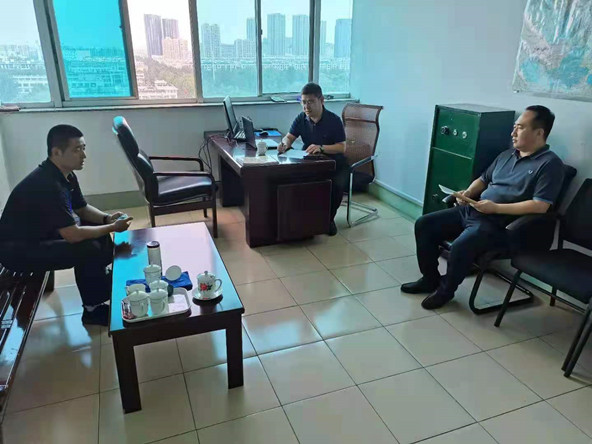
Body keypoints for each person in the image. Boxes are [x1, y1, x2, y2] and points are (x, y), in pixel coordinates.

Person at [402, 105, 565, 309]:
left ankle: (445, 291)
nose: (513, 133)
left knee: (461, 246)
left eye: (520, 128)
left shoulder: (550, 165)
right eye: (514, 127)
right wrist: (468, 193)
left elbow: (541, 205)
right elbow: (483, 179)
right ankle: (430, 279)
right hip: (474, 210)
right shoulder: (507, 155)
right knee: (424, 224)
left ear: (539, 133)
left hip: (500, 223)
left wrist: (495, 208)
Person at [0, 124, 133, 326]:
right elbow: (73, 235)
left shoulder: (65, 174)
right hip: (17, 252)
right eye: (77, 150)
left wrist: (107, 219)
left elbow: (82, 208)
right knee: (88, 248)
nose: (84, 155)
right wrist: (113, 228)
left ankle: (101, 278)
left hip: (38, 236)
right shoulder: (48, 185)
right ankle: (92, 309)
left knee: (95, 229)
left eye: (84, 148)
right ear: (56, 152)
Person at [278, 82, 348, 236]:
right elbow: (289, 137)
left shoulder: (333, 120)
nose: (306, 107)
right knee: (292, 179)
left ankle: (329, 219)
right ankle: (301, 219)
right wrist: (284, 144)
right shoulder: (301, 118)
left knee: (335, 186)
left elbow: (342, 147)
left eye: (310, 102)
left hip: (334, 162)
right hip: (310, 160)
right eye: (303, 102)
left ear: (321, 100)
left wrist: (321, 147)